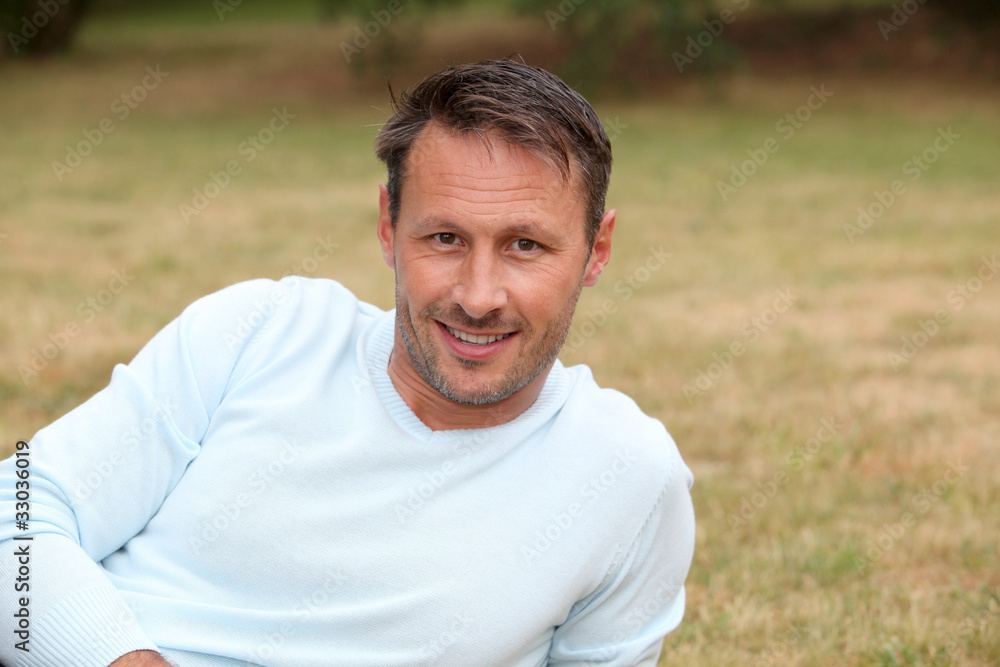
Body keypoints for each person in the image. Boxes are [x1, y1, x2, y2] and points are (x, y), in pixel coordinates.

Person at [0, 59, 694, 666]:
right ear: (389, 226)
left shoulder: (626, 475)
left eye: (526, 246)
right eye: (445, 237)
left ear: (596, 250)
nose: (479, 297)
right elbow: (19, 507)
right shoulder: (258, 331)